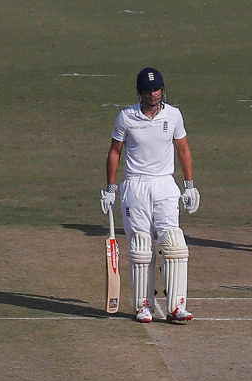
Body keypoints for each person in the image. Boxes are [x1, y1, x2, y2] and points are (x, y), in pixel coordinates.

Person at [102, 66, 199, 324]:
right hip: (136, 185)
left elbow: (183, 149)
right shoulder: (126, 117)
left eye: (157, 90)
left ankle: (177, 305)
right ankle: (143, 304)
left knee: (174, 243)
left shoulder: (174, 115)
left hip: (165, 184)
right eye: (148, 90)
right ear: (140, 92)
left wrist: (189, 185)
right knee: (142, 246)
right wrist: (111, 189)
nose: (153, 95)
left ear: (162, 91)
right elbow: (115, 152)